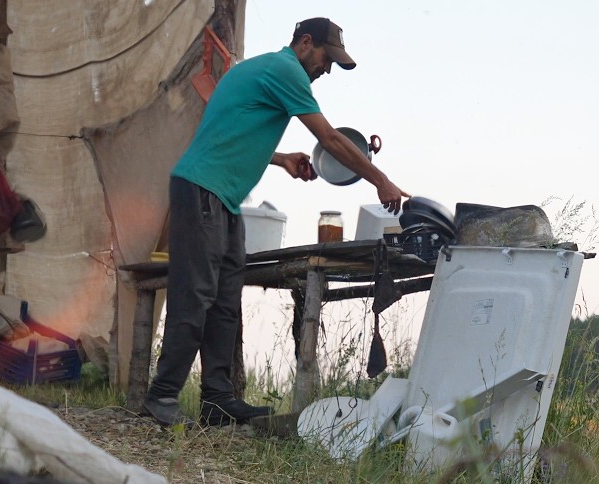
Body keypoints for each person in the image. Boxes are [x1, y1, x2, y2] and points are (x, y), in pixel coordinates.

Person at [143, 17, 409, 427]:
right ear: (305, 44)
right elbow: (332, 139)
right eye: (326, 58)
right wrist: (381, 181)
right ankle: (161, 396)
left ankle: (216, 400)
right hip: (201, 190)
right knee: (194, 295)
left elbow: (228, 130)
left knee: (226, 301)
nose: (327, 69)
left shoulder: (262, 71)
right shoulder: (287, 70)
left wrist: (281, 158)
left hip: (224, 199)